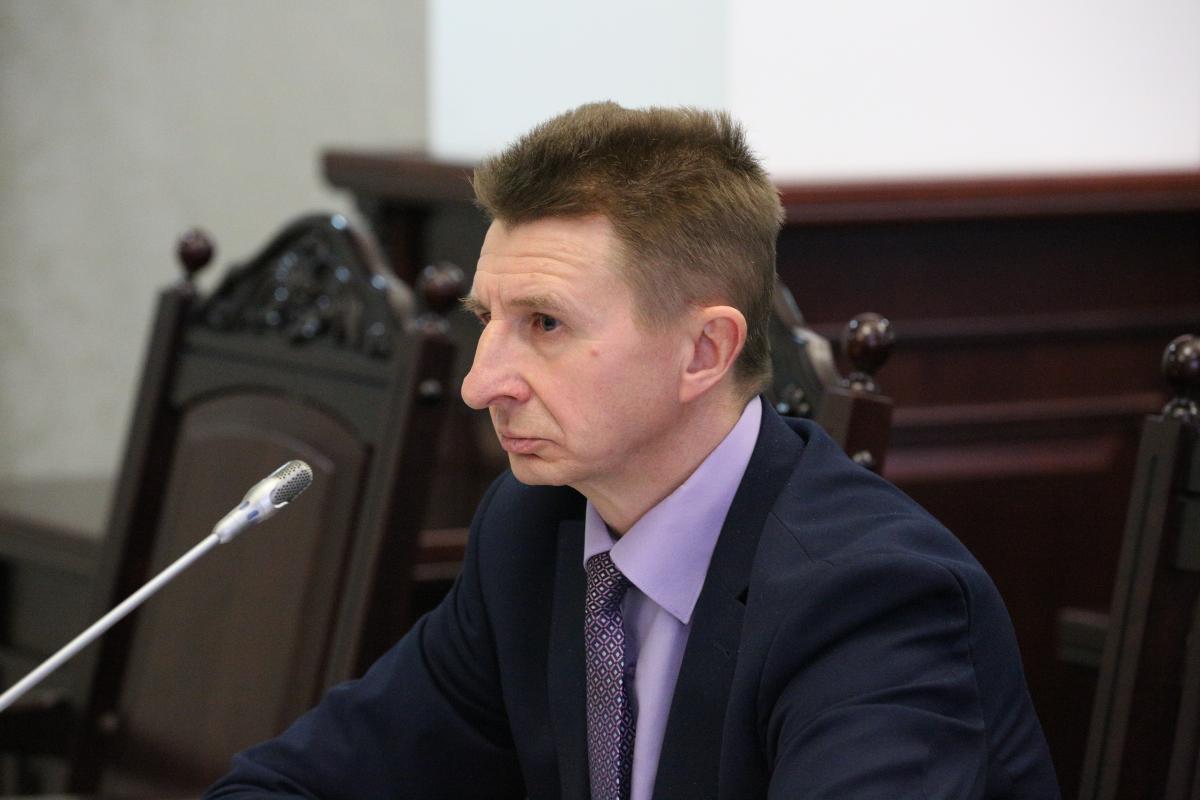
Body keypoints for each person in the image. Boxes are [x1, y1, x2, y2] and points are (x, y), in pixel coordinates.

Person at [205, 102, 1059, 799]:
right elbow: (291, 785)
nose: (479, 383)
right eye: (487, 321)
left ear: (704, 352)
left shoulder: (874, 598)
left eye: (545, 323)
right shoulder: (532, 528)